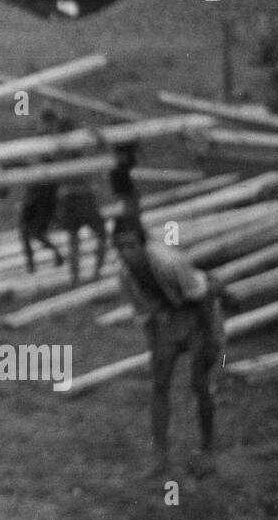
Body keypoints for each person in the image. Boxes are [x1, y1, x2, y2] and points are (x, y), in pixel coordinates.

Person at [113, 213, 223, 478]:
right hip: (168, 316)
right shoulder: (126, 276)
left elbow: (201, 296)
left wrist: (209, 340)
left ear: (143, 243)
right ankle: (159, 457)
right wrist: (156, 350)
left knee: (199, 383)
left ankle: (208, 451)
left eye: (132, 246)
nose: (127, 253)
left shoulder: (169, 262)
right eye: (121, 248)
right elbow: (146, 316)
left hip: (199, 311)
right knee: (159, 384)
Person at [55, 116, 107, 284]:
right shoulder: (78, 145)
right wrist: (96, 135)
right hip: (83, 196)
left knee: (73, 240)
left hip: (67, 197)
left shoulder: (56, 147)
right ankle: (96, 273)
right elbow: (101, 148)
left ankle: (75, 278)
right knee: (101, 234)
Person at [18, 108, 64, 273]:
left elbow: (50, 161)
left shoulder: (56, 141)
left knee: (36, 230)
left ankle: (55, 255)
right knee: (24, 230)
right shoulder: (40, 138)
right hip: (34, 188)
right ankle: (32, 264)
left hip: (46, 190)